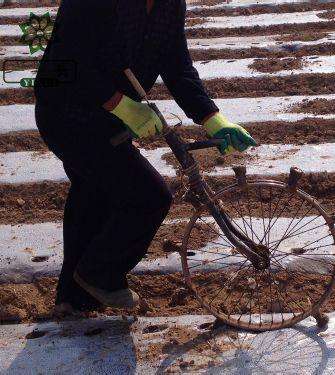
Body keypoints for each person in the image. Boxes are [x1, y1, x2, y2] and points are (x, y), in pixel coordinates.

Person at [34, 0, 256, 312]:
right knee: (148, 196)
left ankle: (74, 298)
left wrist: (212, 118)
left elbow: (176, 62)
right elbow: (68, 61)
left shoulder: (169, 4)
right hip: (67, 115)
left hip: (107, 118)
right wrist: (121, 105)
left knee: (94, 194)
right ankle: (100, 275)